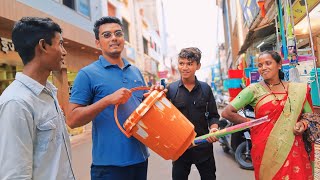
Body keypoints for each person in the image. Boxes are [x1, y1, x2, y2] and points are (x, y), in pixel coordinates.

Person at [67, 16, 164, 180]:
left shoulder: (135, 71)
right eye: (106, 35)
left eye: (118, 33)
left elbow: (142, 111)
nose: (113, 38)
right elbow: (72, 119)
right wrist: (107, 100)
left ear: (123, 39)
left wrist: (153, 97)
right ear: (97, 42)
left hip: (140, 159)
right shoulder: (87, 74)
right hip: (108, 167)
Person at [0, 17, 74, 179]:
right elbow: (15, 174)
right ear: (43, 46)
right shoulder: (17, 102)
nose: (64, 51)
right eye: (60, 43)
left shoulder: (48, 92)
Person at [222, 50, 313, 180]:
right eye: (260, 65)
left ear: (279, 64)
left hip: (293, 147)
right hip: (265, 148)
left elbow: (310, 116)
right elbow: (227, 112)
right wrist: (252, 124)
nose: (263, 68)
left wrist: (302, 124)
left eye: (268, 63)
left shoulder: (297, 90)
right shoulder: (254, 89)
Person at [166, 47, 220, 180]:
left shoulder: (205, 89)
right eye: (181, 63)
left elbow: (213, 115)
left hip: (203, 146)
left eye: (189, 64)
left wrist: (214, 129)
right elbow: (164, 118)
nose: (185, 67)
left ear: (198, 66)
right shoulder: (171, 90)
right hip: (180, 149)